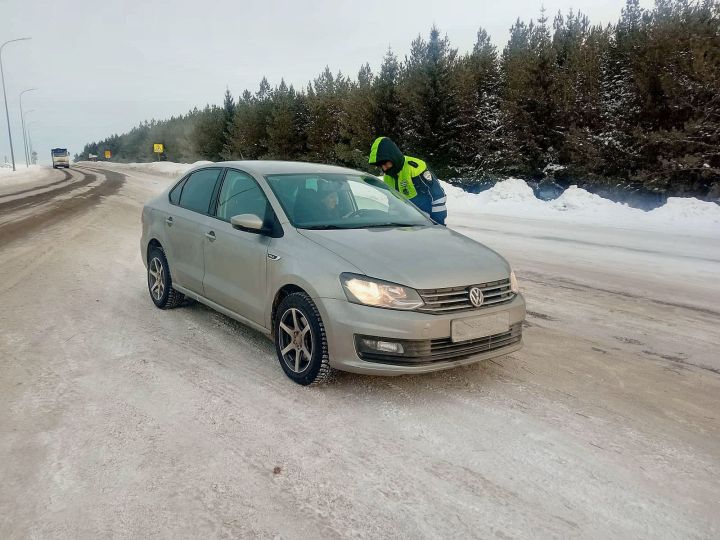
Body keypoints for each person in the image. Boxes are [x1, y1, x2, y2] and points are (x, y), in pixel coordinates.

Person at [368, 136, 447, 225]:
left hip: (425, 223)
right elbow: (393, 203)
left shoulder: (415, 167)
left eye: (385, 163)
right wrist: (393, 222)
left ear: (393, 157)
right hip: (404, 226)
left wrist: (437, 224)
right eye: (380, 165)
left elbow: (437, 197)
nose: (384, 168)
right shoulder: (388, 176)